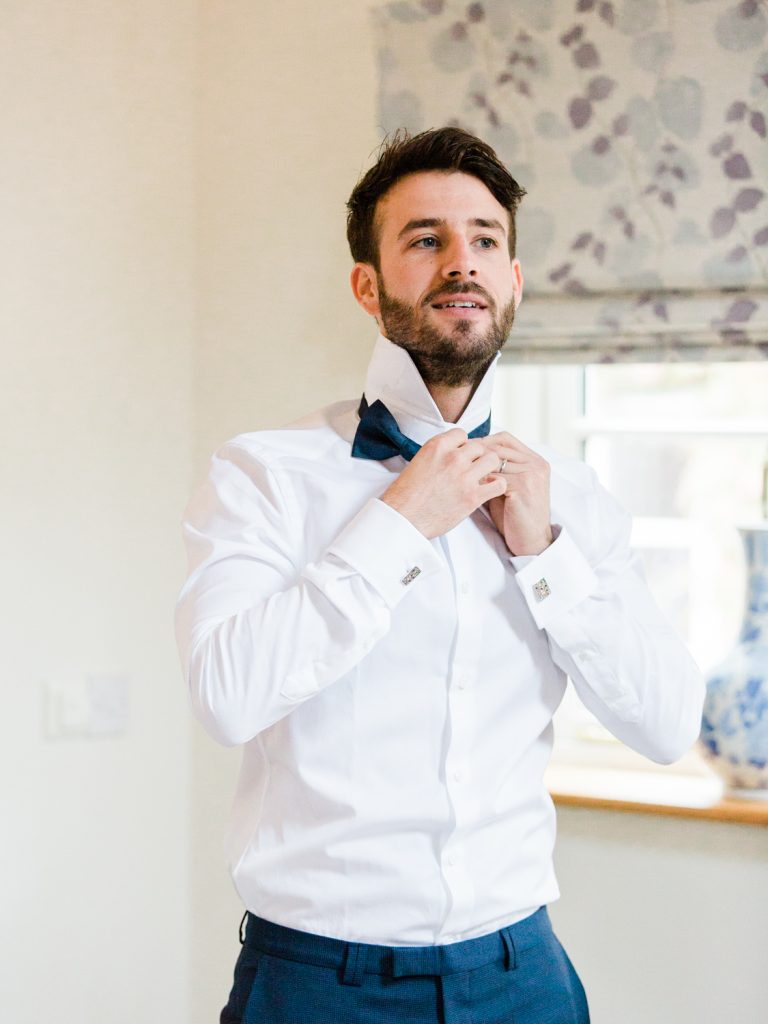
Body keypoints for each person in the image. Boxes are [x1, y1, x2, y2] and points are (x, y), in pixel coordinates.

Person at [175, 127, 704, 1024]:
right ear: (367, 286)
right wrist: (396, 525)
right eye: (426, 239)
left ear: (514, 280)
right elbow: (227, 697)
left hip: (523, 976)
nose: (462, 260)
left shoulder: (572, 500)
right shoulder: (263, 474)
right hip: (318, 984)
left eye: (485, 239)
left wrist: (546, 557)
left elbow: (666, 725)